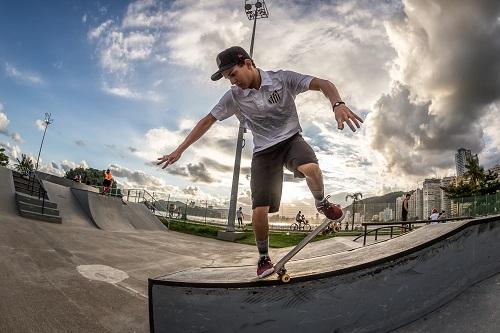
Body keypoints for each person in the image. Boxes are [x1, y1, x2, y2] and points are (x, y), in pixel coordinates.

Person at [157, 46, 362, 278]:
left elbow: (323, 83)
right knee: (259, 209)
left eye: (233, 74)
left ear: (248, 63)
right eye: (227, 79)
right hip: (264, 151)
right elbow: (207, 121)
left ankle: (320, 202)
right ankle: (263, 257)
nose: (232, 83)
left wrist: (338, 104)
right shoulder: (234, 96)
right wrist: (180, 150)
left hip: (291, 139)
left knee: (311, 169)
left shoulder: (282, 79)